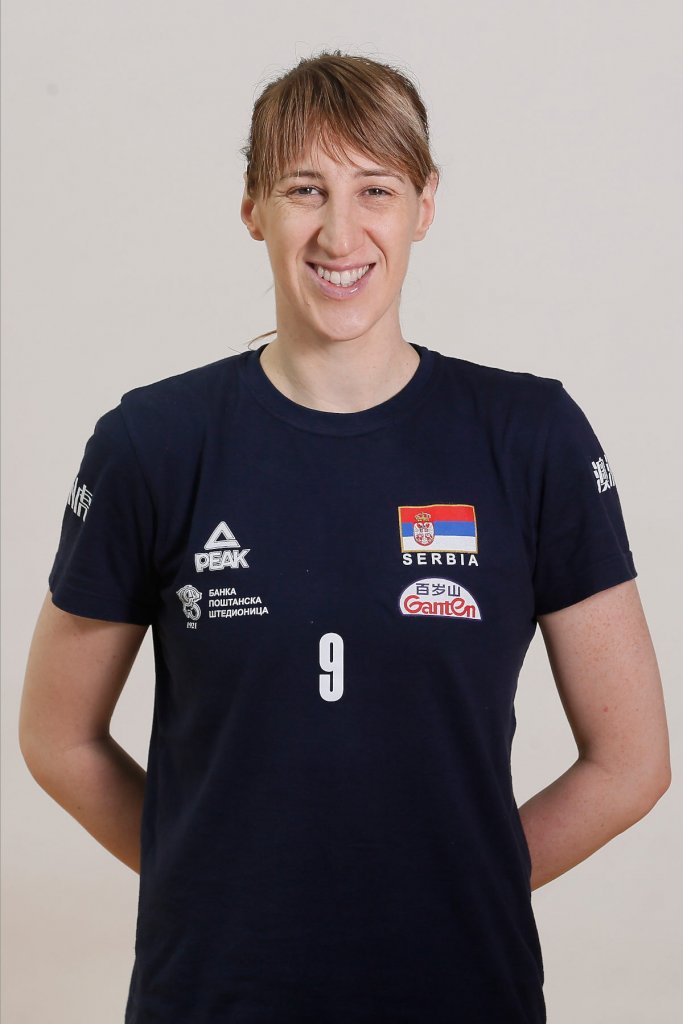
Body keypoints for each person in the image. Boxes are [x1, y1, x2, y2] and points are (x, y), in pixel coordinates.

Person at [19, 51, 671, 1023]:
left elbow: (631, 761)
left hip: (459, 995)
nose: (339, 230)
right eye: (303, 189)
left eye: (375, 188)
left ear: (423, 205)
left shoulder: (529, 437)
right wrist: (219, 890)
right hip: (214, 998)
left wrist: (455, 888)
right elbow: (56, 737)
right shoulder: (151, 443)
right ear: (252, 207)